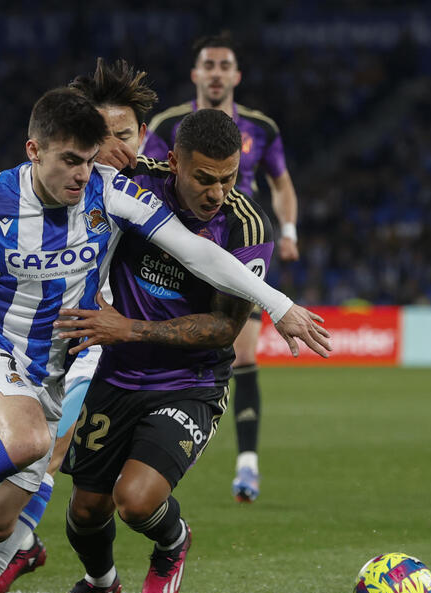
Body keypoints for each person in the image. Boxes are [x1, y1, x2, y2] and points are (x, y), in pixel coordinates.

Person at [0, 86, 330, 593]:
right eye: (71, 160)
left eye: (89, 160)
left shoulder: (110, 192)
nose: (82, 173)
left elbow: (197, 251)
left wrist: (277, 304)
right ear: (34, 151)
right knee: (31, 443)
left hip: (53, 374)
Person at [46, 108, 292, 593]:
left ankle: (172, 541)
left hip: (191, 381)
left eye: (226, 179)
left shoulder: (246, 225)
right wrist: (96, 151)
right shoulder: (137, 182)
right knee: (85, 510)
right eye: (203, 178)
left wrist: (128, 328)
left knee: (135, 500)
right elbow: (56, 164)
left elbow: (226, 326)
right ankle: (100, 582)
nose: (216, 192)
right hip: (119, 372)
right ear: (174, 162)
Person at [0, 59, 148, 593]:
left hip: (104, 342)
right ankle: (10, 539)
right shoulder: (77, 181)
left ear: (144, 134)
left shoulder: (155, 189)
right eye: (103, 135)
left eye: (124, 134)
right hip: (48, 337)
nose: (113, 146)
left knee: (45, 453)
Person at [143, 32, 300, 503]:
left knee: (242, 348)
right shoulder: (171, 123)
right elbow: (143, 171)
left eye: (223, 65)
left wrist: (288, 232)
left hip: (239, 246)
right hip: (176, 247)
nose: (215, 73)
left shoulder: (261, 128)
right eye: (207, 65)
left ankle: (247, 464)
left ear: (236, 75)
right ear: (196, 74)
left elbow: (283, 184)